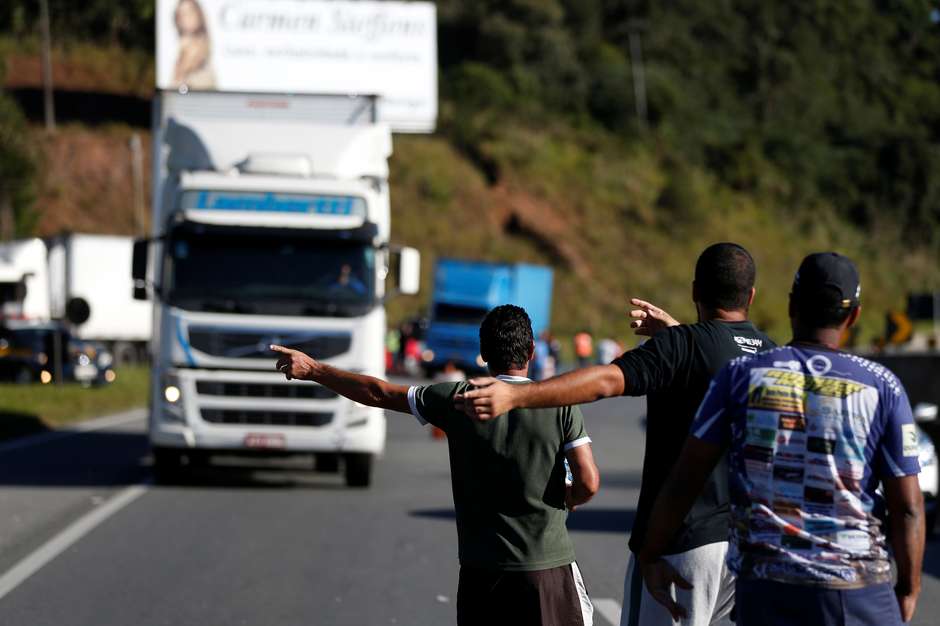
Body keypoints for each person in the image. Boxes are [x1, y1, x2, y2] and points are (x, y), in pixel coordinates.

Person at [457, 243, 775, 626]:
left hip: (683, 544)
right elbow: (719, 362)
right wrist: (679, 334)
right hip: (751, 549)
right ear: (751, 295)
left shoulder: (682, 346)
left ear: (695, 290)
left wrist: (518, 393)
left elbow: (607, 380)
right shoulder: (772, 356)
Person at [638, 252, 924, 626]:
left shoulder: (742, 376)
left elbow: (685, 479)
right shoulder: (883, 386)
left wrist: (651, 553)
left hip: (769, 589)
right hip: (860, 593)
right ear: (853, 317)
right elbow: (908, 508)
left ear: (792, 305)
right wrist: (908, 589)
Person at [272, 304, 599, 625]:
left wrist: (314, 370)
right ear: (531, 351)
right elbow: (588, 483)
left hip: (481, 572)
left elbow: (378, 392)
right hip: (548, 570)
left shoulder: (456, 398)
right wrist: (568, 498)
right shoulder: (560, 402)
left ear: (483, 353)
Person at [172, 0, 216, 90]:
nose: (187, 18)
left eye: (190, 12)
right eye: (182, 14)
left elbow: (179, 75)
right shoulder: (184, 43)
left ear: (198, 14)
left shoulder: (200, 43)